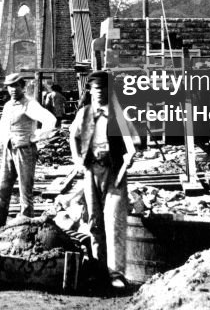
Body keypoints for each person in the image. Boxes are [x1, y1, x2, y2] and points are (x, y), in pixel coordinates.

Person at [68, 71, 138, 290]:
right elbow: (73, 135)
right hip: (91, 171)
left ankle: (115, 273)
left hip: (114, 171)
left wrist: (129, 156)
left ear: (109, 91)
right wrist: (77, 160)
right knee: (95, 221)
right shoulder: (85, 113)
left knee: (114, 220)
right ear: (90, 91)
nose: (99, 93)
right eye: (95, 89)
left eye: (103, 89)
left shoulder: (120, 114)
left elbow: (133, 141)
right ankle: (99, 270)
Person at [0, 73, 57, 226]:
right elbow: (2, 132)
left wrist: (35, 137)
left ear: (22, 87)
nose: (13, 89)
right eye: (10, 86)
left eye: (16, 86)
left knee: (25, 192)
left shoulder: (30, 104)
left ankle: (25, 227)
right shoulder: (8, 106)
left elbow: (50, 120)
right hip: (9, 150)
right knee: (2, 189)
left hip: (25, 151)